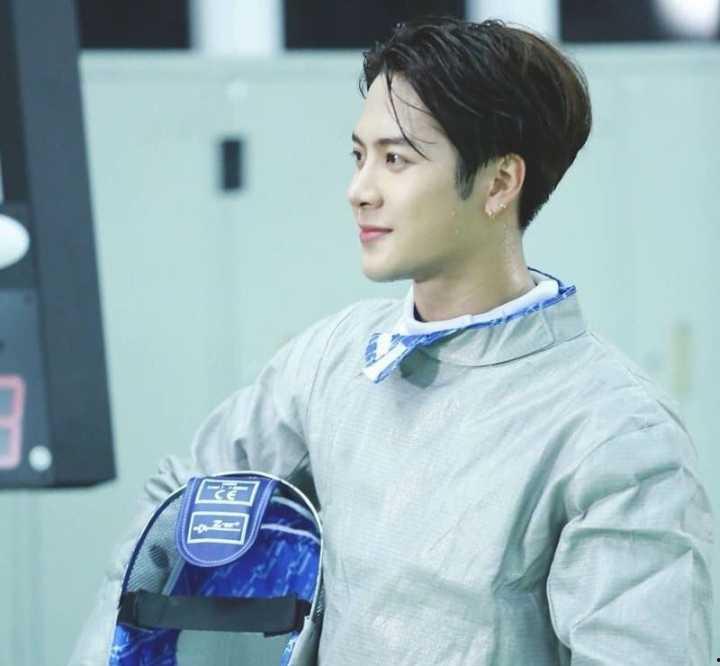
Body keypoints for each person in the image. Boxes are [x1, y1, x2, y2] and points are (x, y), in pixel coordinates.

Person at [71, 16, 714, 665]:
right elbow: (179, 504)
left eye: (396, 159)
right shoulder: (330, 361)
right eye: (360, 156)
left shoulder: (615, 432)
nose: (360, 190)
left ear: (498, 183)